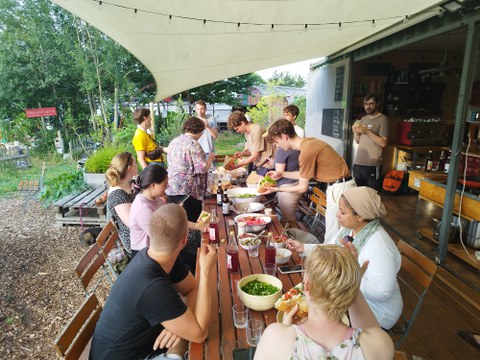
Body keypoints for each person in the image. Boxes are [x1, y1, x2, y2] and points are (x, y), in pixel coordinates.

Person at [90, 204, 218, 360]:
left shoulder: (159, 254)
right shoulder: (151, 286)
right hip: (134, 356)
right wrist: (204, 272)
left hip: (145, 343)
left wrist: (179, 326)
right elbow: (200, 334)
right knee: (198, 344)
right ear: (184, 239)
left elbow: (191, 289)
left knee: (187, 332)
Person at [287, 186, 402, 329]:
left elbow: (382, 293)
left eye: (342, 212)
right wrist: (304, 247)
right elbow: (330, 250)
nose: (337, 215)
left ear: (360, 215)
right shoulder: (350, 229)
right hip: (349, 296)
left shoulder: (380, 247)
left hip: (375, 312)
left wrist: (344, 276)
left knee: (314, 317)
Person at [254, 244, 394, 360]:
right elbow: (371, 330)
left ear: (307, 285)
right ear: (353, 290)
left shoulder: (276, 337)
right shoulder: (380, 344)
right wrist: (353, 281)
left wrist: (284, 328)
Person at [265, 119, 355, 242]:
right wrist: (281, 174)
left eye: (276, 142)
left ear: (284, 137)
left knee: (332, 232)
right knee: (334, 230)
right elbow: (303, 175)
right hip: (339, 185)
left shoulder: (306, 152)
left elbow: (302, 187)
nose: (276, 145)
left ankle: (329, 260)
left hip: (340, 188)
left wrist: (278, 188)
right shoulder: (308, 143)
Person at [129, 164, 169, 258]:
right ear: (153, 185)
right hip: (145, 255)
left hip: (158, 247)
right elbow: (161, 237)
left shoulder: (156, 199)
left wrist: (200, 226)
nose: (167, 187)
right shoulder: (143, 208)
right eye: (165, 184)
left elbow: (169, 220)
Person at [352, 93, 388, 190]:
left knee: (371, 194)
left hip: (372, 164)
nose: (368, 106)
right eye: (366, 104)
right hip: (358, 162)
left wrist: (367, 131)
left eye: (371, 104)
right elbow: (358, 141)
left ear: (378, 104)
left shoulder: (383, 120)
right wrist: (355, 133)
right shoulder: (363, 119)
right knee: (358, 193)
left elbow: (383, 143)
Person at [105, 152, 138, 254]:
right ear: (129, 168)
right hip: (135, 243)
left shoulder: (126, 184)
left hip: (142, 235)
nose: (137, 166)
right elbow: (133, 224)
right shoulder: (117, 195)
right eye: (135, 163)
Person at [227, 110, 273, 175]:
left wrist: (236, 166)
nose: (237, 131)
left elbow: (254, 156)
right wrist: (242, 154)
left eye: (237, 129)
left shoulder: (256, 130)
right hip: (259, 165)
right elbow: (252, 152)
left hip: (266, 166)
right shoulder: (247, 133)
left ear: (242, 123)